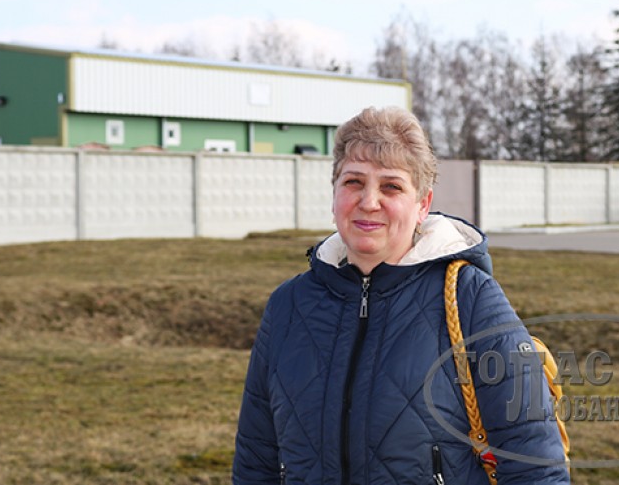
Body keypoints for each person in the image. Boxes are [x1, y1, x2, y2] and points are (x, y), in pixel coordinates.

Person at [232, 106, 569, 484]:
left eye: (391, 186)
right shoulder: (288, 306)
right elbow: (255, 460)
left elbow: (535, 465)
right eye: (353, 182)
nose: (369, 201)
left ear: (422, 204)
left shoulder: (471, 300)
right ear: (334, 196)